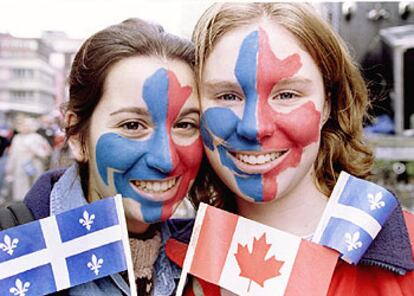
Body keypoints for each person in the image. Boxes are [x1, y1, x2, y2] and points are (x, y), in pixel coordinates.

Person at [166, 3, 414, 295]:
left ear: (328, 105)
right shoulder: (165, 267)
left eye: (286, 94)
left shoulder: (407, 247)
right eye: (227, 96)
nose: (254, 128)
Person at [21, 18, 203, 295]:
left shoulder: (206, 262)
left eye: (185, 125)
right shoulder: (14, 257)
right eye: (132, 126)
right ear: (77, 136)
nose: (166, 160)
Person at [5, 116, 52, 201]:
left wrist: (36, 152)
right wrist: (9, 168)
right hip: (20, 167)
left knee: (34, 186)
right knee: (20, 188)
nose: (24, 127)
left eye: (27, 125)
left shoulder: (37, 137)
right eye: (23, 125)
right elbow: (13, 155)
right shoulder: (17, 138)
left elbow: (47, 152)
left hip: (35, 165)